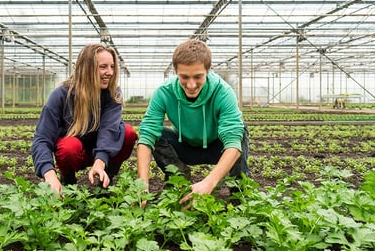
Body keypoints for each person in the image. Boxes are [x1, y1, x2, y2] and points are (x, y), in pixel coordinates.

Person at [137, 39, 249, 208]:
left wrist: (208, 183)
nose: (191, 85)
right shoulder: (164, 92)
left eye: (198, 77)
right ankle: (179, 181)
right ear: (176, 72)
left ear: (208, 70)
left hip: (217, 148)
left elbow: (232, 141)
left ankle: (238, 196)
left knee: (240, 131)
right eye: (184, 77)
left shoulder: (223, 92)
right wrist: (142, 186)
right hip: (186, 147)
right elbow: (146, 138)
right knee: (156, 134)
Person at [31, 43, 137, 194]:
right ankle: (68, 182)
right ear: (87, 68)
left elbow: (109, 130)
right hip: (75, 153)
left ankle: (106, 180)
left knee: (127, 133)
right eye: (103, 67)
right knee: (68, 146)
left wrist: (100, 162)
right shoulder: (61, 95)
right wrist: (49, 174)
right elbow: (42, 138)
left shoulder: (112, 94)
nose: (110, 72)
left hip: (101, 151)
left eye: (112, 67)